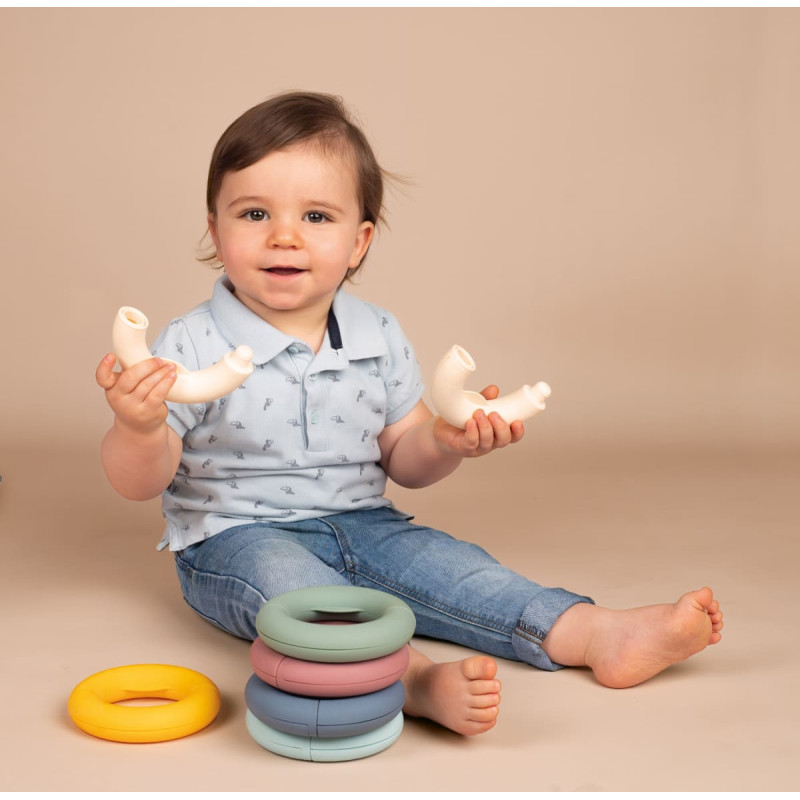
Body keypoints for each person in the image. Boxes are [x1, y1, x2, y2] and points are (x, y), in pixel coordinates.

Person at [96, 91, 723, 737]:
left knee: (459, 570)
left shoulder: (377, 334)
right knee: (304, 598)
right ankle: (415, 681)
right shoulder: (188, 344)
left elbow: (406, 460)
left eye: (316, 216)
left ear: (359, 241)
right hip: (236, 537)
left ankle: (595, 634)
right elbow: (137, 482)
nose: (284, 235)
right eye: (254, 213)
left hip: (367, 524)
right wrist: (138, 425)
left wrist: (446, 440)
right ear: (215, 229)